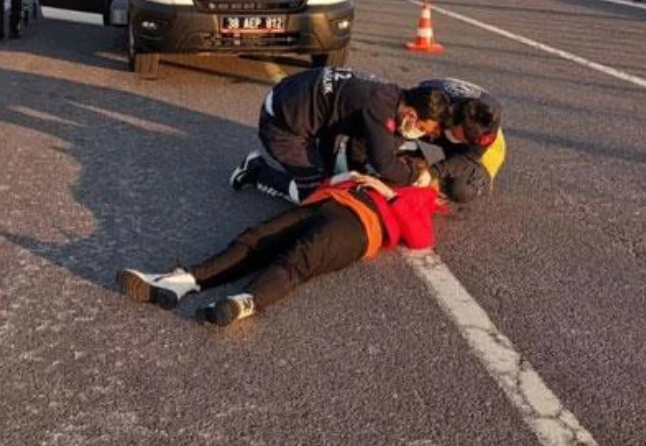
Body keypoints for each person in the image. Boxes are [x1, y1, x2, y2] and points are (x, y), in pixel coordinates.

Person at [118, 174, 444, 326]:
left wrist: (390, 195)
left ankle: (244, 302)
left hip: (361, 227)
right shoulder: (381, 171)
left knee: (298, 260)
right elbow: (320, 188)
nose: (414, 169)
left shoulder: (418, 197)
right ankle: (182, 282)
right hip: (326, 204)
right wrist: (344, 178)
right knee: (256, 238)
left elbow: (419, 238)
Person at [229, 68, 451, 203]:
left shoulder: (392, 95)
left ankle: (318, 170)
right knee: (315, 195)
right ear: (411, 114)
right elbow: (384, 163)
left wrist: (358, 173)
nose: (420, 134)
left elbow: (360, 141)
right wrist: (418, 177)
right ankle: (255, 171)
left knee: (335, 178)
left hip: (299, 104)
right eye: (423, 128)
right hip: (280, 125)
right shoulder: (379, 109)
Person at [419, 78, 505, 204]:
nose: (466, 141)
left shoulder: (488, 125)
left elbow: (468, 157)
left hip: (485, 151)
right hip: (440, 105)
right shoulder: (431, 102)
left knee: (461, 189)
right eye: (464, 136)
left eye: (470, 139)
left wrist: (434, 172)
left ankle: (476, 178)